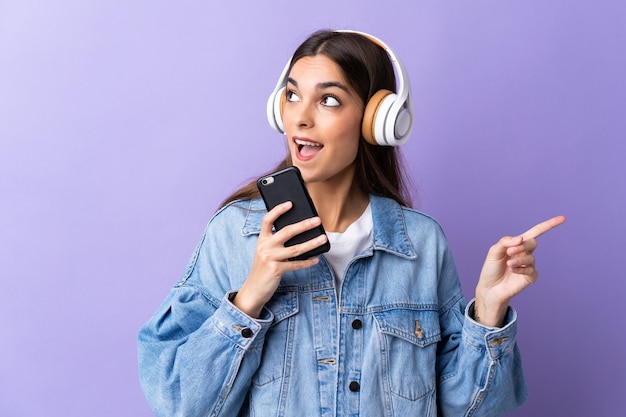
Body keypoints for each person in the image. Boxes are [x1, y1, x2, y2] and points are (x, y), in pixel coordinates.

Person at [137, 29, 565, 417]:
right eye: (291, 95)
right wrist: (249, 297)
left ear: (377, 121)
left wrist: (488, 312)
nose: (300, 118)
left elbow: (466, 410)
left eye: (328, 100)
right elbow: (180, 405)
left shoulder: (421, 243)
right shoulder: (235, 233)